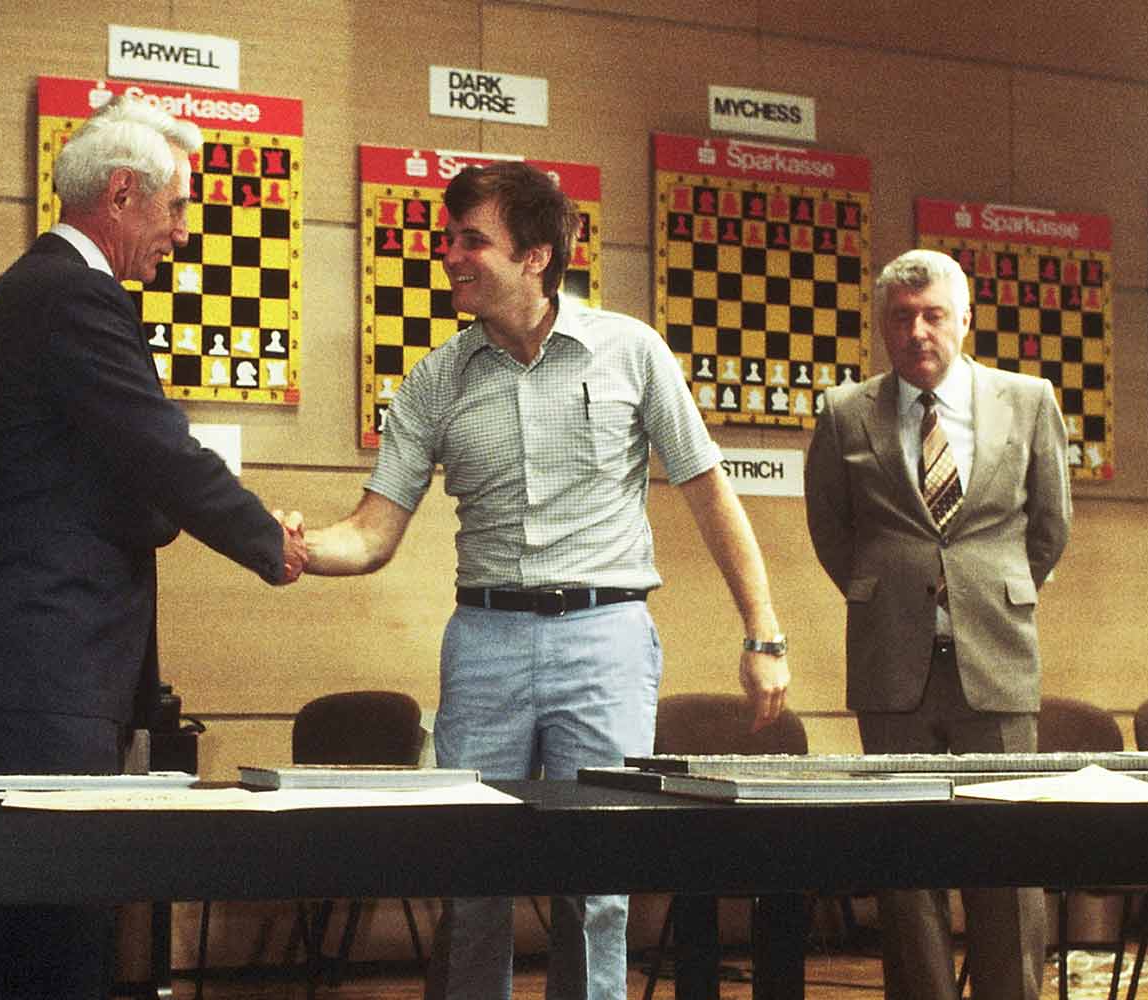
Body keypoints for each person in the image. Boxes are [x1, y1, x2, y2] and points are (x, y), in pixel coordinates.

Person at [299, 161, 790, 1000]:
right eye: (448, 238)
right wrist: (293, 546)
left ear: (535, 256)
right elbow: (373, 535)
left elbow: (711, 497)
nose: (450, 255)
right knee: (473, 872)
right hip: (484, 643)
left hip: (606, 640)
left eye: (471, 240)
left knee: (599, 886)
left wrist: (764, 634)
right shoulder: (433, 380)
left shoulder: (633, 352)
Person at [0, 94, 307, 998]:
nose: (180, 231)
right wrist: (267, 542)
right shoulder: (73, 294)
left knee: (13, 934)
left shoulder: (20, 291)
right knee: (55, 946)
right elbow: (157, 447)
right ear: (123, 194)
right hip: (48, 671)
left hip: (22, 668)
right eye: (174, 208)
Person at [804, 248, 1072, 1000]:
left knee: (1008, 863)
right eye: (901, 317)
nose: (918, 330)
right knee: (905, 861)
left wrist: (999, 590)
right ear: (883, 326)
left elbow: (1050, 524)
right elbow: (833, 532)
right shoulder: (843, 411)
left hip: (998, 654)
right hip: (892, 662)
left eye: (933, 315)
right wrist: (889, 593)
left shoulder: (1029, 400)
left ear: (965, 319)